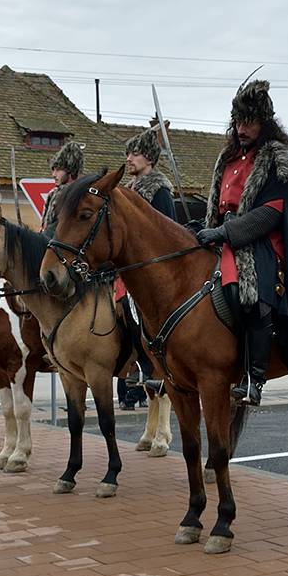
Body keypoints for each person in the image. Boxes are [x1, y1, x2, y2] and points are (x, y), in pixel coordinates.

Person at [195, 80, 288, 405]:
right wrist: (210, 228)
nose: (241, 129)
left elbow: (270, 213)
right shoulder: (228, 158)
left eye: (249, 122)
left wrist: (225, 233)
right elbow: (219, 203)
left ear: (264, 122)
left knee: (251, 292)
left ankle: (254, 377)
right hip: (227, 236)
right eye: (238, 122)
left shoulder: (277, 159)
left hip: (262, 240)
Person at [120, 122, 178, 394]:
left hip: (152, 268)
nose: (129, 159)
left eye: (135, 154)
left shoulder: (159, 190)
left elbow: (167, 230)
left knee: (134, 309)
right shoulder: (128, 190)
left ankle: (148, 363)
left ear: (150, 159)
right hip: (127, 266)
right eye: (128, 154)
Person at [40, 140, 84, 238]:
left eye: (58, 169)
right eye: (53, 169)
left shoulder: (65, 193)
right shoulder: (54, 193)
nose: (54, 175)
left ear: (70, 169)